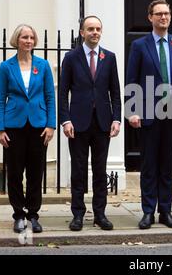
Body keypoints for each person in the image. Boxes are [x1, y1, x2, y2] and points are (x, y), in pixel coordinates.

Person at [126, 0, 172, 230]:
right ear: (150, 17)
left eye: (166, 13)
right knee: (149, 165)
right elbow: (132, 79)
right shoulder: (139, 45)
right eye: (159, 14)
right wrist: (132, 111)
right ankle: (147, 212)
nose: (163, 17)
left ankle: (165, 211)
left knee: (167, 165)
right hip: (147, 114)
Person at [59, 16, 121, 231]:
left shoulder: (109, 57)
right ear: (82, 32)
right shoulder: (71, 58)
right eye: (90, 29)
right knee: (78, 170)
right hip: (77, 123)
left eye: (98, 29)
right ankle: (77, 214)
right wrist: (65, 120)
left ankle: (100, 214)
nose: (95, 32)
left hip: (103, 122)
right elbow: (62, 92)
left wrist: (116, 118)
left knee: (100, 170)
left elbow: (115, 91)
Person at [0, 24, 56, 234]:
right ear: (17, 40)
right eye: (24, 37)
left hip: (38, 125)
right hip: (14, 126)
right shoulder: (6, 67)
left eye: (31, 37)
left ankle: (33, 214)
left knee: (35, 172)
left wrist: (51, 125)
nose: (28, 41)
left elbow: (50, 96)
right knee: (14, 172)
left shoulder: (43, 65)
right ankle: (18, 215)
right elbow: (0, 99)